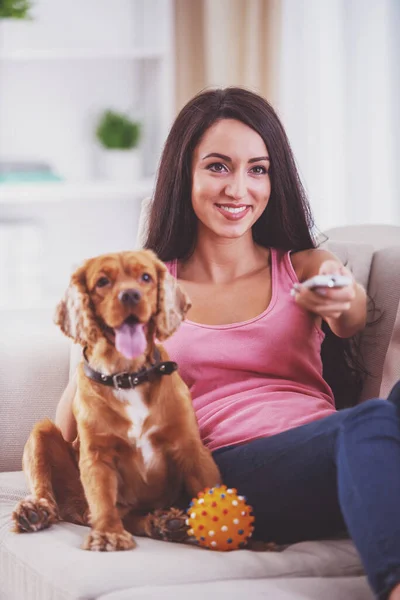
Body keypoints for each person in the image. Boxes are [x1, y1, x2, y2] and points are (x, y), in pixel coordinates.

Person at [56, 87, 400, 600]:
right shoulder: (149, 289)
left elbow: (348, 315)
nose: (239, 188)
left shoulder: (302, 265)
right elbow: (78, 411)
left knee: (375, 421)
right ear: (185, 174)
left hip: (333, 451)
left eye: (257, 170)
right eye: (218, 167)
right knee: (371, 423)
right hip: (229, 473)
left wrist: (340, 298)